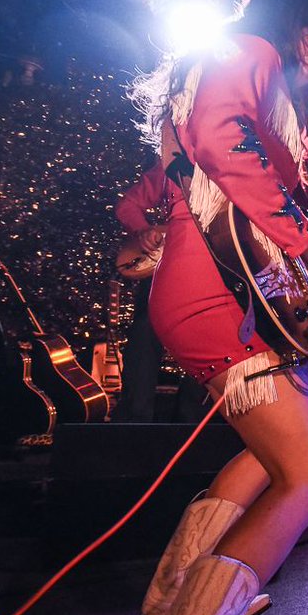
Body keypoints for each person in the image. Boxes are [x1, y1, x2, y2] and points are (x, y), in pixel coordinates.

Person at [101, 0, 308, 615]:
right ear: (281, 23)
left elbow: (175, 196)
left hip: (206, 293)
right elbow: (221, 142)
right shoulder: (248, 52)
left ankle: (173, 597)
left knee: (269, 459)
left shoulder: (229, 77)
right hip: (220, 302)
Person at [111, 156, 207, 422]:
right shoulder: (172, 162)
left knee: (208, 338)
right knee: (146, 332)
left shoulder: (238, 161)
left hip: (211, 268)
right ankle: (135, 425)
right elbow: (128, 205)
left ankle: (192, 424)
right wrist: (143, 231)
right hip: (168, 263)